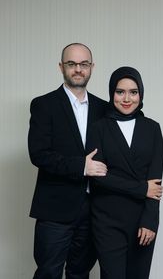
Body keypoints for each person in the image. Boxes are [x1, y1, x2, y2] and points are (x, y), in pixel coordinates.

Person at [28, 43, 108, 279]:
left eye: (84, 64)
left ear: (92, 67)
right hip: (55, 211)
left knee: (80, 273)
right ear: (61, 67)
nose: (78, 69)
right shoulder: (44, 104)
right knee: (48, 273)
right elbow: (39, 153)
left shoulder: (104, 108)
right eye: (72, 64)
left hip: (93, 210)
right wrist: (81, 166)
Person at [87, 66, 163, 279]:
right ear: (112, 93)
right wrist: (142, 188)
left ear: (141, 93)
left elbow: (155, 183)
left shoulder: (152, 128)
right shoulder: (98, 128)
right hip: (106, 220)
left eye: (133, 92)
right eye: (120, 92)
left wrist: (150, 221)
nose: (127, 98)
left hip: (142, 220)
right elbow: (99, 179)